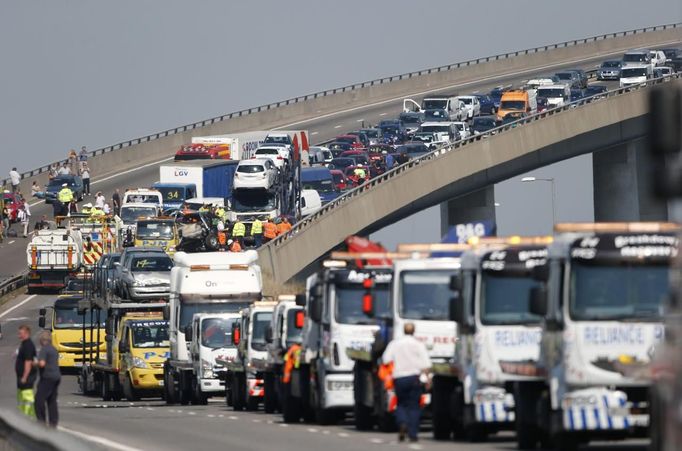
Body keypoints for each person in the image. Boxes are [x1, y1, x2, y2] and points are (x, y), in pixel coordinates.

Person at [381, 322, 431, 442]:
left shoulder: (395, 344)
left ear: (403, 331)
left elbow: (386, 359)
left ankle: (402, 423)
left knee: (401, 404)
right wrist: (428, 378)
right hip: (414, 378)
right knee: (414, 406)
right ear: (414, 331)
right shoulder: (418, 344)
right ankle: (413, 434)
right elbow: (426, 364)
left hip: (399, 378)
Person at [34, 331, 60, 427]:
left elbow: (42, 364)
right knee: (51, 400)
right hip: (56, 377)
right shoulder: (54, 349)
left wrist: (34, 363)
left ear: (42, 340)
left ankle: (41, 421)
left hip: (47, 377)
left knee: (39, 400)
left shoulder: (44, 349)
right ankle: (53, 422)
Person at [15, 325, 37, 418]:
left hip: (27, 378)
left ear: (26, 333)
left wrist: (24, 377)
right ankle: (23, 417)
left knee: (27, 398)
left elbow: (28, 362)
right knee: (21, 399)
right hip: (21, 378)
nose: (19, 335)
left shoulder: (28, 345)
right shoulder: (24, 344)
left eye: (21, 333)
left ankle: (29, 417)